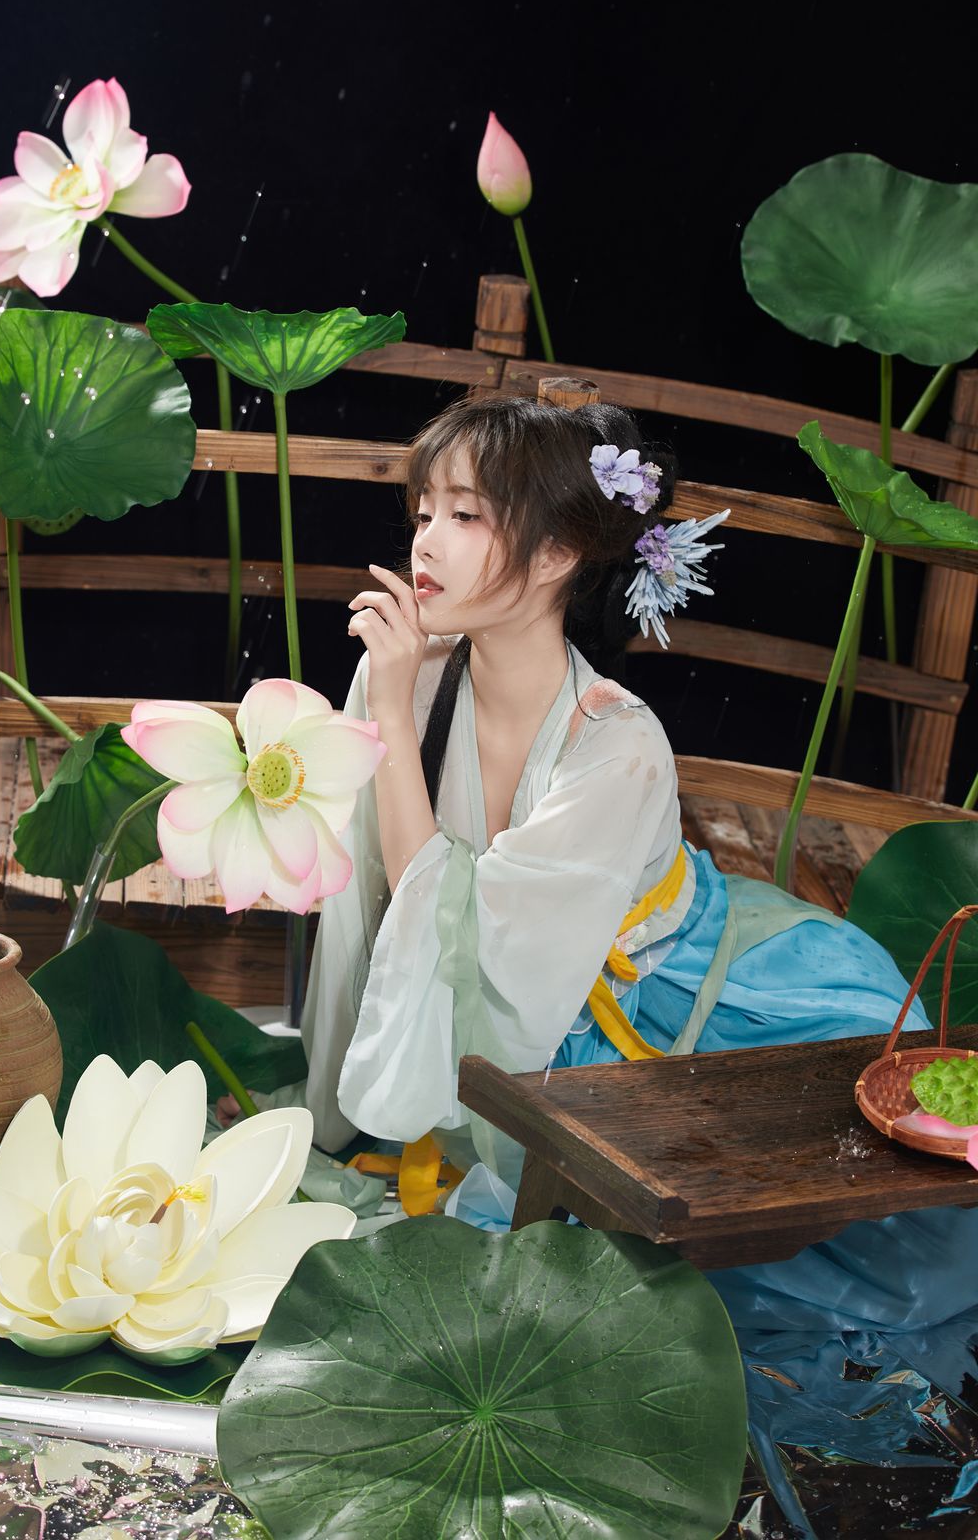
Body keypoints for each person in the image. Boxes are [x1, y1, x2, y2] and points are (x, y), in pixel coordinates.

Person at [292, 394, 977, 1507]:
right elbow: (388, 903)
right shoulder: (407, 672)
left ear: (560, 552)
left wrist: (396, 706)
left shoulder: (618, 741)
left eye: (466, 515)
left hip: (680, 987)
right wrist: (392, 698)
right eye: (423, 511)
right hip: (536, 993)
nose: (427, 542)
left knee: (893, 1223)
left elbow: (459, 922)